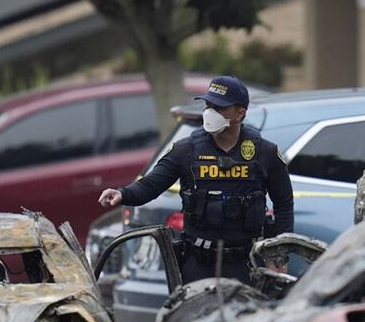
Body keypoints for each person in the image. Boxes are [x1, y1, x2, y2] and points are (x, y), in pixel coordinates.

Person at [98, 75, 293, 285]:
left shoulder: (264, 152)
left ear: (240, 114)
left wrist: (279, 255)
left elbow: (284, 204)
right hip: (199, 264)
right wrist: (122, 193)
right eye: (208, 105)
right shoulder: (186, 150)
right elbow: (150, 185)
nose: (210, 112)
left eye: (219, 107)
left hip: (247, 264)